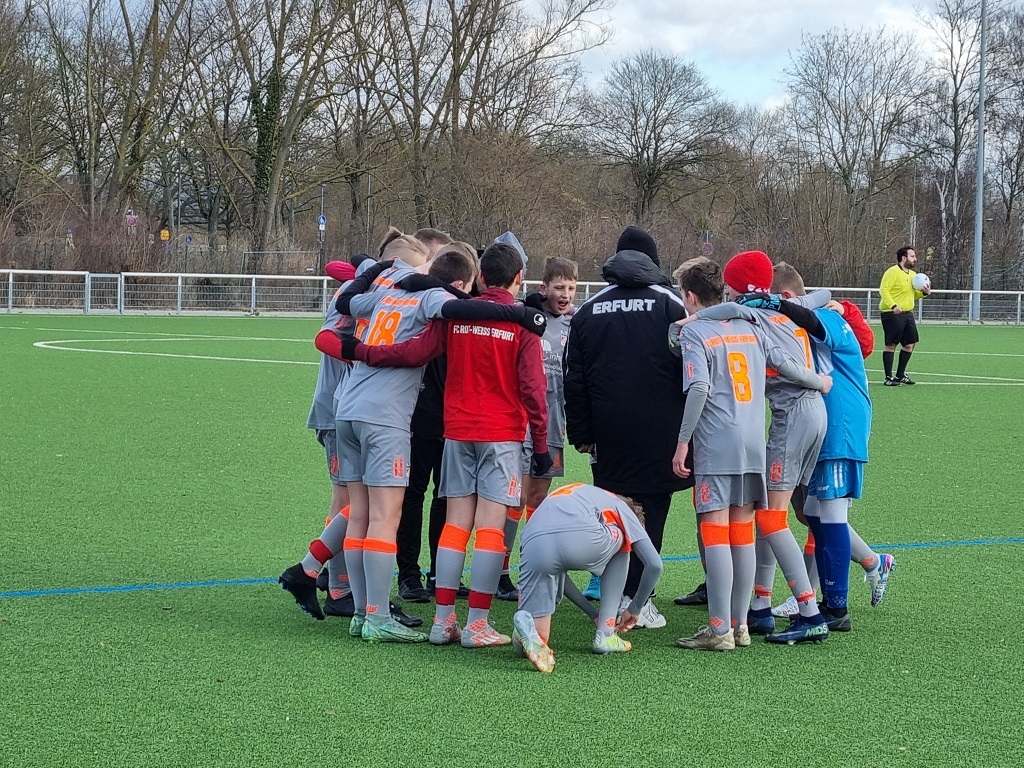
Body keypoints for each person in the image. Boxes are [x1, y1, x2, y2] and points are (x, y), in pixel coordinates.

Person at [331, 237, 544, 643]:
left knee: (444, 523)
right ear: (519, 277)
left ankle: (437, 619)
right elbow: (533, 389)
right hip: (487, 430)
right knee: (485, 528)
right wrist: (542, 446)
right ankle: (471, 623)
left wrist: (361, 349)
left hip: (428, 424)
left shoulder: (395, 300)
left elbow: (410, 346)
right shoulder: (509, 319)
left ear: (481, 277)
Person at [673, 250, 833, 645]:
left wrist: (682, 442)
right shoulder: (760, 320)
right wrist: (819, 381)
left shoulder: (712, 326)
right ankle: (746, 620)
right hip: (761, 437)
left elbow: (699, 386)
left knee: (726, 530)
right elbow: (816, 304)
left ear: (692, 296)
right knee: (746, 529)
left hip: (729, 438)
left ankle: (724, 628)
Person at [563, 225, 692, 629]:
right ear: (653, 261)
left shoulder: (589, 309)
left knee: (614, 510)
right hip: (661, 428)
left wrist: (581, 433)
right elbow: (693, 370)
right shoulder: (672, 305)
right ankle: (641, 600)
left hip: (608, 430)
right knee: (652, 509)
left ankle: (614, 594)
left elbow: (573, 378)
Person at [743, 262, 875, 631]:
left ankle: (836, 608)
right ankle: (834, 592)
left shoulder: (826, 317)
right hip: (822, 421)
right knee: (813, 512)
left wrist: (777, 305)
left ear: (786, 297)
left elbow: (816, 320)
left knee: (830, 514)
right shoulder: (797, 321)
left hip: (840, 425)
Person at [511, 483, 662, 674]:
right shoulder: (622, 508)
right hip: (578, 537)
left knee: (536, 639)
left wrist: (593, 613)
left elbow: (559, 574)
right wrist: (634, 609)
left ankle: (525, 626)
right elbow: (655, 565)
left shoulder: (587, 495)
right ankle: (606, 634)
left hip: (533, 540)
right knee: (625, 537)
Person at [504, 257, 579, 601]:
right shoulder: (527, 316)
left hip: (554, 425)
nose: (565, 294)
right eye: (559, 287)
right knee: (516, 498)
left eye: (571, 288)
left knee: (538, 499)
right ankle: (501, 571)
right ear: (543, 287)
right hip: (523, 423)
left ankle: (531, 567)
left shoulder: (575, 325)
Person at [879, 246, 930, 386]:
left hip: (907, 314)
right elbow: (884, 290)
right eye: (912, 256)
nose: (915, 259)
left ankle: (900, 375)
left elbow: (915, 294)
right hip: (892, 314)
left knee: (910, 344)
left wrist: (924, 292)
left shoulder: (913, 275)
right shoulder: (892, 272)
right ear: (904, 258)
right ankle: (888, 378)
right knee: (891, 344)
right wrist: (893, 306)